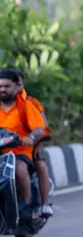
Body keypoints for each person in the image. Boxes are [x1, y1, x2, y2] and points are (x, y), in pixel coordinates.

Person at [0, 68, 47, 218]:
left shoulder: (26, 105)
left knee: (19, 169)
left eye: (7, 86)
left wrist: (31, 138)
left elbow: (39, 128)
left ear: (16, 86)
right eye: (0, 86)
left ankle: (25, 205)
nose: (3, 90)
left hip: (19, 151)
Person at [12, 69, 53, 217]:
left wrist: (38, 144)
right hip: (6, 146)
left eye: (19, 84)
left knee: (40, 165)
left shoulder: (31, 103)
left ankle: (44, 205)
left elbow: (43, 127)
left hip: (29, 145)